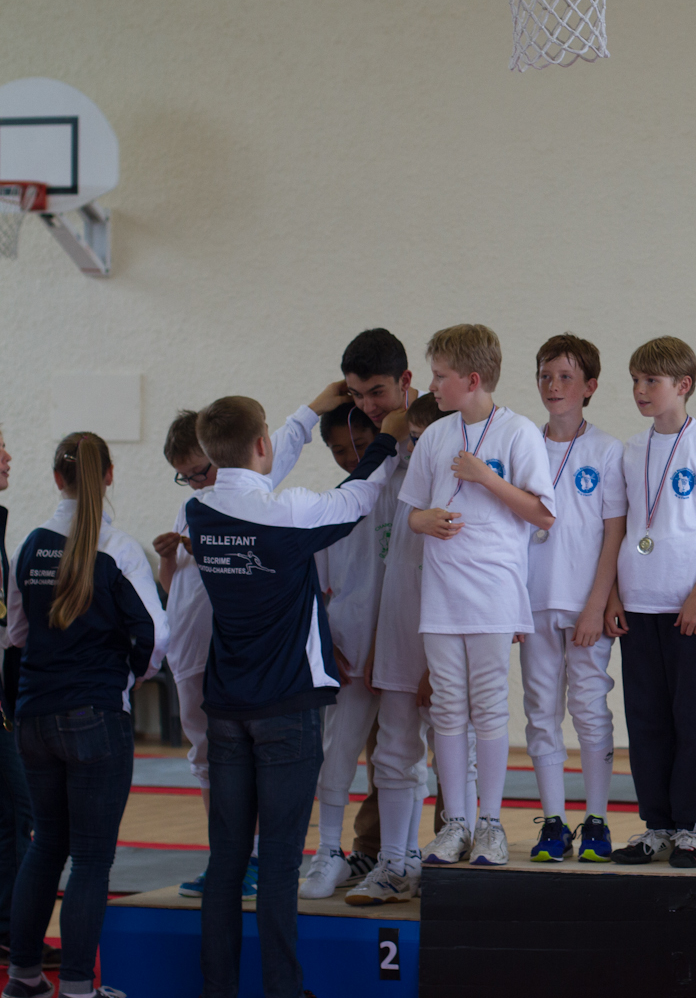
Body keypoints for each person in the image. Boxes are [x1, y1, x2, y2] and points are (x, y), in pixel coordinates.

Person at [187, 394, 405, 998]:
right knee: (281, 862)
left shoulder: (197, 511)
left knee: (227, 861)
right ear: (262, 444)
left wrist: (307, 414)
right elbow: (359, 496)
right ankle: (283, 990)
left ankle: (218, 991)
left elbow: (249, 475)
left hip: (226, 711)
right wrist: (388, 438)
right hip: (286, 709)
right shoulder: (287, 515)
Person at [157, 389, 355, 899]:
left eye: (202, 470)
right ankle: (228, 860)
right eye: (187, 476)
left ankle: (256, 861)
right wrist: (170, 560)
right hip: (196, 653)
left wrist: (313, 408)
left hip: (239, 659)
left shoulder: (252, 499)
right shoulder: (194, 509)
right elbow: (178, 590)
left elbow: (273, 449)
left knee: (260, 770)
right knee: (206, 759)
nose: (198, 482)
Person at [0, 432, 168, 998]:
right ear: (110, 475)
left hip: (34, 716)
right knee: (92, 859)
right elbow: (157, 634)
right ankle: (76, 988)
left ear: (57, 478)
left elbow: (16, 633)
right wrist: (131, 677)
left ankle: (23, 977)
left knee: (46, 843)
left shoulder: (30, 545)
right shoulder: (118, 549)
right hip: (94, 715)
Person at [406, 324, 556, 870]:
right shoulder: (435, 435)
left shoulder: (517, 432)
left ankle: (489, 821)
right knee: (447, 706)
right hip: (441, 593)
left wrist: (485, 478)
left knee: (488, 704)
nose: (432, 385)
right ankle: (456, 823)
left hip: (493, 591)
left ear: (472, 380)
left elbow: (543, 513)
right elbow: (412, 512)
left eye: (440, 376)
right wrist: (423, 520)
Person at [610, 336, 696, 870]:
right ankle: (657, 826)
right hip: (638, 603)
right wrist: (614, 594)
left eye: (652, 381)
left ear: (683, 385)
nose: (640, 390)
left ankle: (690, 828)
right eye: (635, 381)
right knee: (645, 719)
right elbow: (618, 528)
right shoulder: (630, 450)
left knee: (693, 719)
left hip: (693, 607)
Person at [521, 334, 626, 862]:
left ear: (590, 386)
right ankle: (554, 823)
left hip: (586, 603)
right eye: (545, 375)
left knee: (589, 708)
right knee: (541, 711)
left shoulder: (606, 450)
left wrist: (597, 604)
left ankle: (598, 821)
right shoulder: (523, 444)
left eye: (565, 376)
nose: (553, 385)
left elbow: (614, 533)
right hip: (533, 601)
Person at [349, 391, 453, 906]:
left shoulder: (466, 492)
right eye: (411, 439)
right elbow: (388, 567)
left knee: (456, 751)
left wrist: (437, 660)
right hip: (395, 631)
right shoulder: (394, 483)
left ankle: (455, 861)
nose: (413, 449)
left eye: (424, 440)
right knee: (392, 751)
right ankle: (394, 864)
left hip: (447, 638)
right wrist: (377, 644)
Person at [303, 404, 392, 898]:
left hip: (402, 648)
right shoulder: (331, 506)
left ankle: (398, 856)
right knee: (336, 753)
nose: (350, 456)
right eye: (339, 449)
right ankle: (328, 852)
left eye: (359, 445)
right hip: (349, 650)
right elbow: (313, 589)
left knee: (399, 759)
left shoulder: (405, 492)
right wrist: (325, 643)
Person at [0, 422, 40, 971]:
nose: (7, 458)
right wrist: (2, 622)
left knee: (18, 804)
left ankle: (6, 930)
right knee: (17, 804)